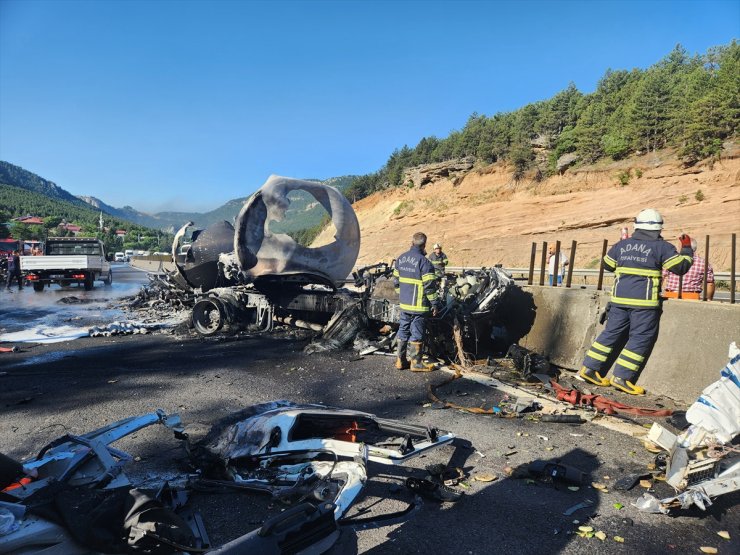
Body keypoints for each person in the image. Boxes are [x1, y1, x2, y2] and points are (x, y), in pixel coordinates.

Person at [578, 209, 693, 395]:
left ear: (637, 226)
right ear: (658, 228)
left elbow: (607, 265)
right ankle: (621, 378)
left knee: (610, 334)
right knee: (640, 338)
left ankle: (589, 369)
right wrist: (687, 249)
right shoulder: (662, 247)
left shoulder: (622, 245)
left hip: (618, 300)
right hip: (644, 304)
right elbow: (680, 267)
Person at [393, 232, 440, 371]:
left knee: (403, 330)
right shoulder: (425, 263)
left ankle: (400, 361)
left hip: (404, 304)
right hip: (419, 306)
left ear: (412, 243)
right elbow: (430, 288)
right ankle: (416, 363)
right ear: (424, 245)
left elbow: (395, 282)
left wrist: (403, 296)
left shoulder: (400, 259)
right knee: (417, 332)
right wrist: (435, 304)